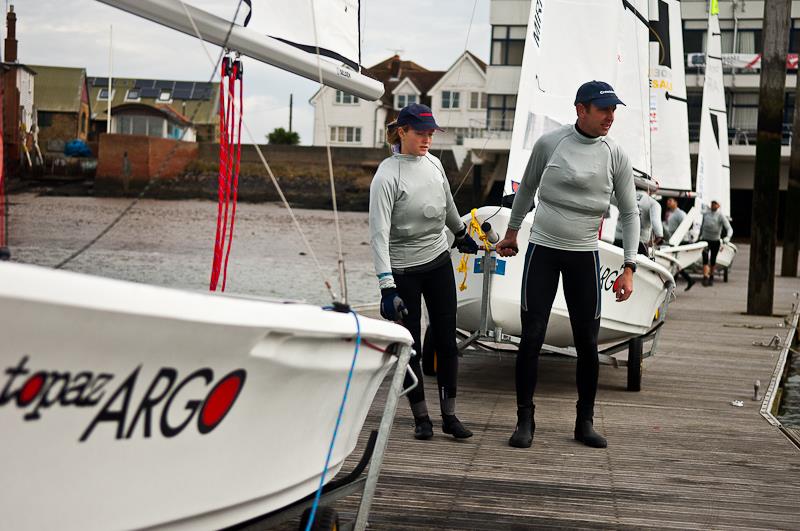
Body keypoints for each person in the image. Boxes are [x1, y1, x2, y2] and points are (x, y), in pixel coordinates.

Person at [495, 81, 640, 449]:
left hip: (584, 255)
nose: (611, 116)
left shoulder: (615, 154)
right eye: (603, 109)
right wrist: (511, 234)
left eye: (614, 110)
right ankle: (524, 419)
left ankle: (584, 422)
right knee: (531, 338)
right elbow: (526, 190)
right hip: (543, 249)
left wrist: (629, 266)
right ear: (581, 109)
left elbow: (630, 211)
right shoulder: (550, 144)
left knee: (587, 343)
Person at [369, 103, 478, 440]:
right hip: (403, 272)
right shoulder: (387, 176)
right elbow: (379, 235)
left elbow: (446, 203)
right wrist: (387, 288)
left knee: (447, 341)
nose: (428, 138)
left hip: (438, 263)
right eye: (421, 132)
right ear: (402, 132)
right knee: (411, 344)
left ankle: (450, 415)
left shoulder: (433, 164)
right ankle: (421, 417)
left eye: (431, 132)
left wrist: (461, 234)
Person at [613, 184, 662, 256]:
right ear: (649, 189)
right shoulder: (653, 203)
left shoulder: (622, 196)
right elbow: (656, 224)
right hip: (639, 243)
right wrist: (659, 236)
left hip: (618, 239)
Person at [663, 197, 695, 290]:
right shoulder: (669, 213)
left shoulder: (680, 213)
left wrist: (680, 237)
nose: (668, 202)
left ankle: (674, 285)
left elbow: (687, 225)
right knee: (674, 263)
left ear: (676, 202)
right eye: (667, 200)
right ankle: (686, 281)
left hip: (680, 241)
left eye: (670, 200)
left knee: (675, 263)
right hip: (672, 240)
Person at [698, 200, 733, 286]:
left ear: (718, 205)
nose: (713, 205)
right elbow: (702, 226)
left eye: (715, 204)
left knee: (713, 259)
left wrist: (728, 237)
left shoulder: (720, 216)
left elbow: (729, 228)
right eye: (712, 204)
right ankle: (705, 277)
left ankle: (711, 276)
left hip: (715, 240)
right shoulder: (706, 214)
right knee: (705, 258)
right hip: (705, 240)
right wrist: (699, 236)